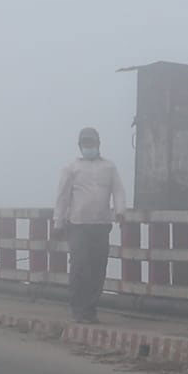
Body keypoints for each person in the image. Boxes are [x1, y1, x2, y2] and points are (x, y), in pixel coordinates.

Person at [53, 127, 126, 323]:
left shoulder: (109, 168)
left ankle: (91, 309)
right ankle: (78, 309)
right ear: (80, 146)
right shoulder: (72, 168)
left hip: (101, 224)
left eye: (91, 143)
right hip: (77, 224)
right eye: (85, 143)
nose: (89, 147)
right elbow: (63, 197)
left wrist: (120, 211)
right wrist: (58, 222)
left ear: (98, 144)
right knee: (80, 267)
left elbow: (118, 191)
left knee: (98, 268)